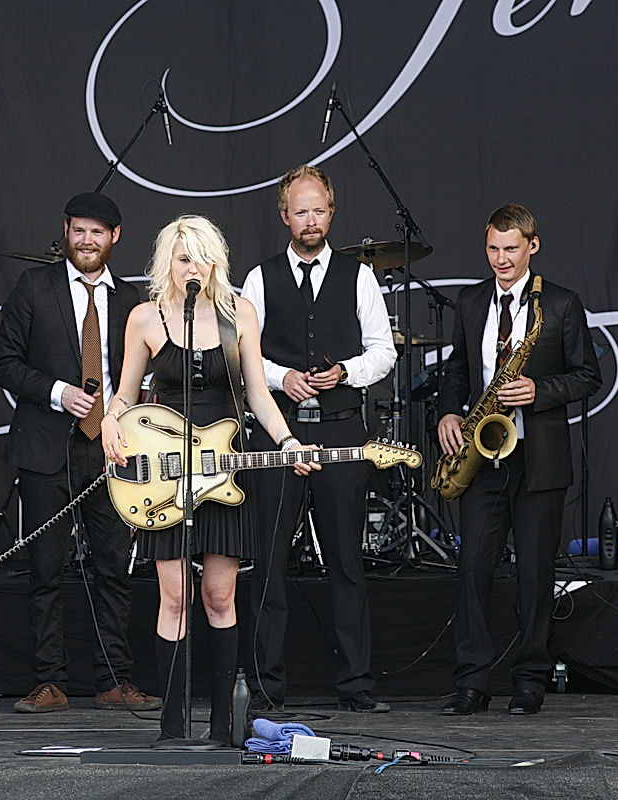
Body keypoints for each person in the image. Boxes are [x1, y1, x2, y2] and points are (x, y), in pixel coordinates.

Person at [101, 214, 316, 743]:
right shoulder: (145, 319)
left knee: (220, 596)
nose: (190, 267)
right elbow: (127, 391)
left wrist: (287, 441)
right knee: (173, 597)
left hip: (222, 472)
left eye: (199, 257)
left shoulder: (238, 314)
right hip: (163, 474)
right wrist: (110, 416)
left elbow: (258, 393)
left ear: (214, 262)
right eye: (181, 257)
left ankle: (222, 723)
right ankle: (172, 725)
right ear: (166, 263)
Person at [0, 192, 159, 715]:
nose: (87, 241)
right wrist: (57, 391)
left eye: (98, 232)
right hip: (47, 448)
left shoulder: (134, 300)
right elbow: (3, 363)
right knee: (46, 570)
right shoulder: (34, 287)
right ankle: (49, 681)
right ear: (65, 230)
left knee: (115, 569)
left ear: (116, 237)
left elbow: (149, 370)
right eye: (79, 231)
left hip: (113, 452)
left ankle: (114, 680)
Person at [241, 165, 396, 713]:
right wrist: (282, 377)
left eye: (319, 210)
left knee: (346, 564)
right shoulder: (258, 278)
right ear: (285, 216)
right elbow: (243, 352)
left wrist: (345, 373)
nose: (311, 220)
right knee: (269, 564)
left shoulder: (357, 276)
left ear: (331, 213)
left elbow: (384, 350)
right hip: (277, 437)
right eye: (300, 211)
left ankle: (357, 685)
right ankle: (265, 687)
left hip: (340, 434)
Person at [436, 203, 601, 716]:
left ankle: (530, 679)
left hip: (539, 459)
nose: (501, 259)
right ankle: (472, 682)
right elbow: (457, 370)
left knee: (533, 574)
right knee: (472, 570)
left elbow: (588, 376)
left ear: (533, 246)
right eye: (492, 249)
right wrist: (447, 412)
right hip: (483, 456)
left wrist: (538, 389)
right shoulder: (470, 301)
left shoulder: (562, 303)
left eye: (511, 249)